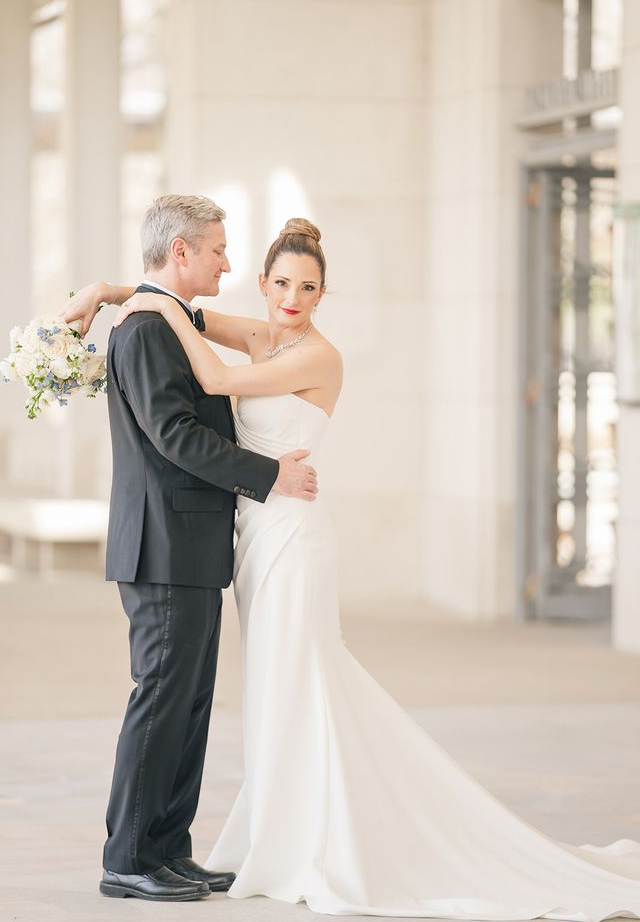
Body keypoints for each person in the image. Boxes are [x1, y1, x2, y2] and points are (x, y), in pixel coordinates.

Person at [64, 216, 640, 919]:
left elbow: (210, 372)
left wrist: (151, 302)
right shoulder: (258, 332)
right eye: (279, 283)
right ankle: (210, 844)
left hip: (291, 532)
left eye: (307, 287)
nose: (291, 297)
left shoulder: (318, 356)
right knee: (254, 690)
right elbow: (198, 322)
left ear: (323, 292)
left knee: (293, 680)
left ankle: (285, 839)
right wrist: (121, 291)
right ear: (265, 285)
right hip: (247, 535)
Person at [61, 195, 318, 903]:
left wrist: (109, 286)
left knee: (190, 703)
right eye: (217, 250)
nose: (228, 262)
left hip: (192, 543)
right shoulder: (145, 331)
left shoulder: (162, 317)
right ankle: (127, 857)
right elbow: (176, 435)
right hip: (163, 547)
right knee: (162, 700)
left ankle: (168, 849)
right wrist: (271, 476)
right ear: (181, 251)